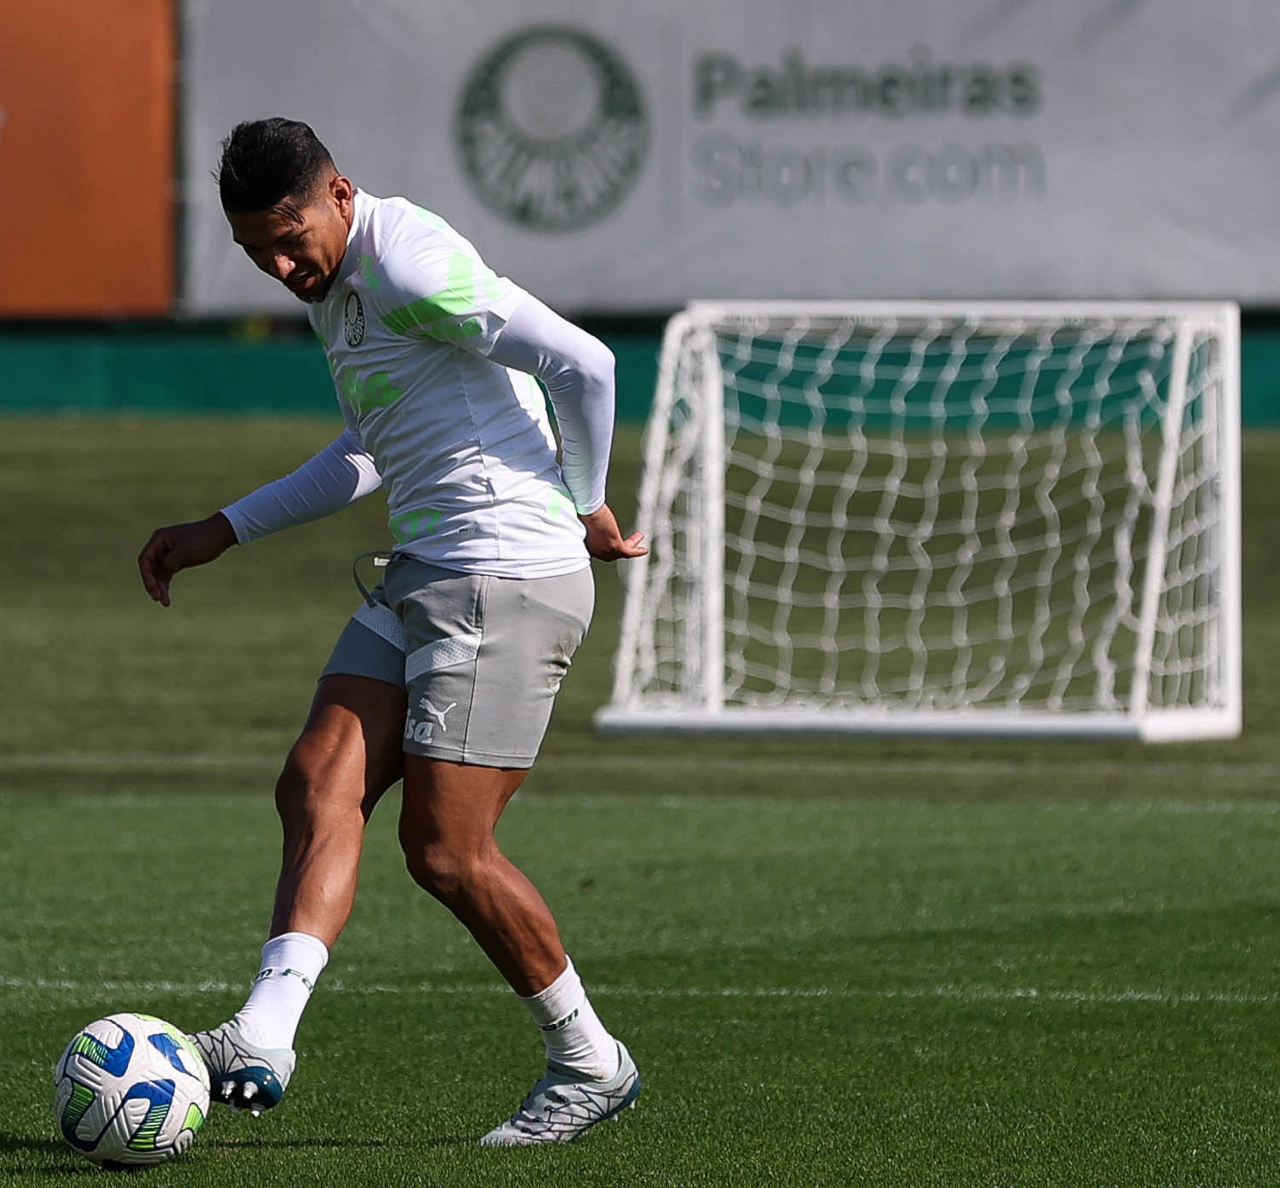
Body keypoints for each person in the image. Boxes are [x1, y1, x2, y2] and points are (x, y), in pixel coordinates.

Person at [137, 117, 646, 1145]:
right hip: (428, 569)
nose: (281, 270)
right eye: (255, 253)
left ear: (339, 195)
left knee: (447, 852)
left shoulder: (406, 263)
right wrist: (222, 529)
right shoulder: (339, 288)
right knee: (316, 781)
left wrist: (587, 502)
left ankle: (591, 1063)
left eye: (290, 243)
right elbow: (367, 449)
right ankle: (263, 1034)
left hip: (504, 572)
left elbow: (584, 365)